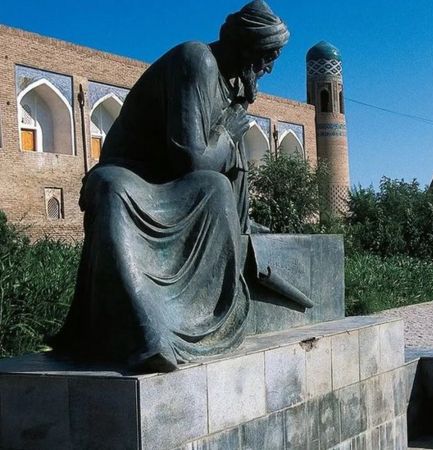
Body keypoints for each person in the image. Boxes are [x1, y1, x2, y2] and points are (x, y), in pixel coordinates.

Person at [48, 1, 289, 373]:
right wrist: (226, 136)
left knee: (215, 187)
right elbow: (190, 158)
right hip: (132, 175)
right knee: (113, 190)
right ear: (246, 46)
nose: (269, 67)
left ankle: (199, 322)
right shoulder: (197, 61)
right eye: (266, 57)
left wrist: (241, 224)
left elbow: (226, 172)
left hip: (176, 185)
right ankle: (147, 336)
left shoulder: (234, 85)